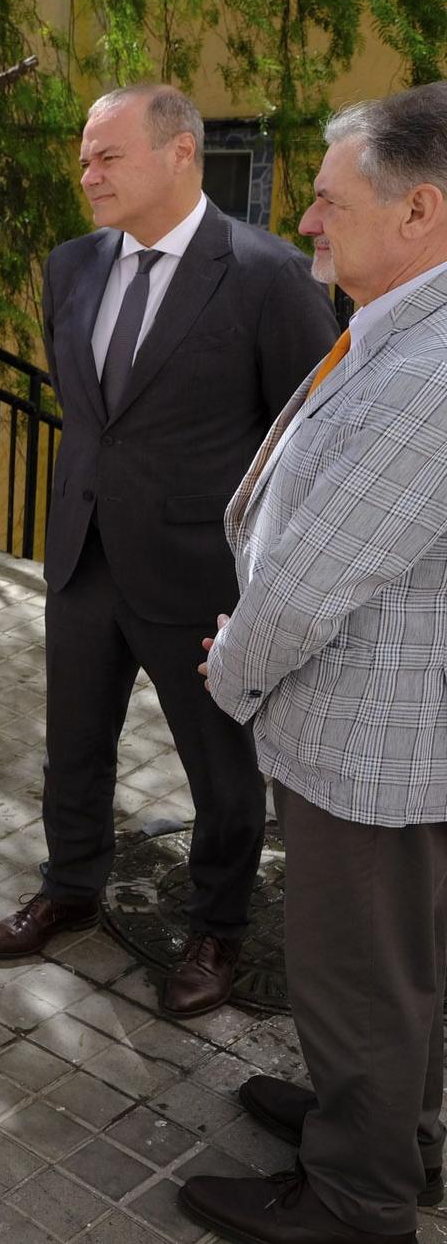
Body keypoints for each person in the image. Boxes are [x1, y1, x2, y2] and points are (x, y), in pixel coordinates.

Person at [0, 85, 337, 1018]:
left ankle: (218, 927)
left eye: (108, 157)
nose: (86, 173)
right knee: (74, 747)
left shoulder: (268, 275)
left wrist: (269, 579)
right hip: (85, 559)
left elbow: (308, 438)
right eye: (85, 157)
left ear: (181, 153)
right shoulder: (71, 266)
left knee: (220, 774)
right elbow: (96, 417)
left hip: (199, 577)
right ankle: (70, 889)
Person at [182, 83, 447, 1244]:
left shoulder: (427, 369)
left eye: (330, 199)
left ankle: (355, 1197)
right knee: (397, 971)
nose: (304, 220)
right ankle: (390, 1131)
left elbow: (309, 577)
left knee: (356, 979)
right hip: (383, 727)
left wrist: (230, 670)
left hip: (372, 745)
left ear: (419, 209)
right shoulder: (403, 322)